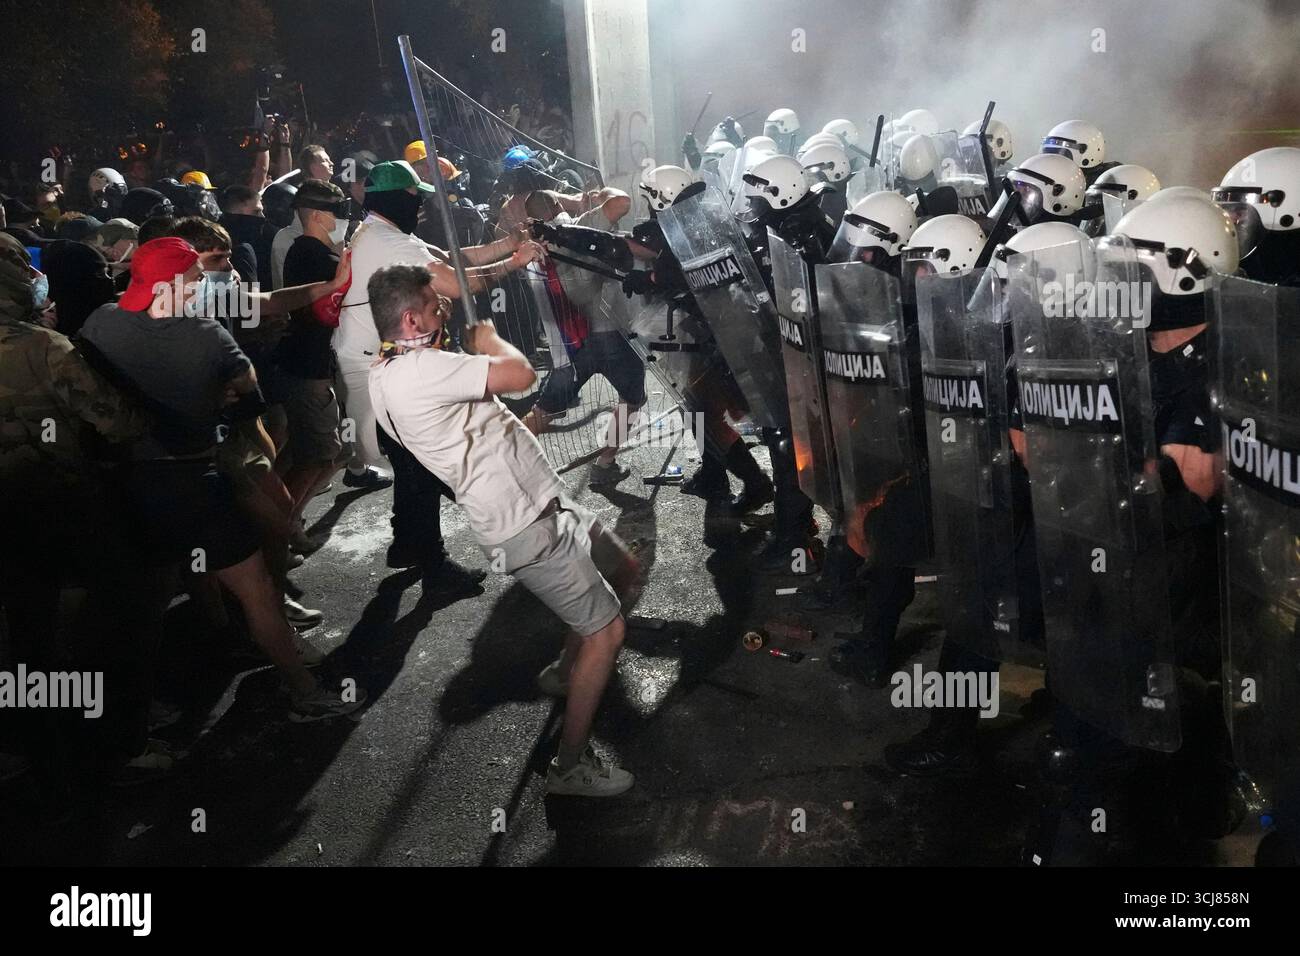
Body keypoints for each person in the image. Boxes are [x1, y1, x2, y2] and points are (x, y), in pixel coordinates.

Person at [367, 263, 640, 796]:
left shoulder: (389, 366)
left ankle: (568, 669)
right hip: (525, 523)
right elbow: (521, 376)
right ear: (408, 317)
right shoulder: (419, 370)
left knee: (621, 567)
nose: (442, 308)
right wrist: (490, 340)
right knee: (607, 631)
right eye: (432, 304)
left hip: (542, 502)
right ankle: (569, 767)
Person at [78, 237, 364, 721]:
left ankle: (135, 719)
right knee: (257, 590)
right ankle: (304, 692)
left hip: (129, 481)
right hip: (194, 478)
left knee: (143, 608)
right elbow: (251, 402)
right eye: (193, 277)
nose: (200, 286)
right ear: (171, 281)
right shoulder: (207, 336)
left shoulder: (101, 322)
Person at [334, 159, 544, 575]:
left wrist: (507, 246)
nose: (422, 207)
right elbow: (459, 284)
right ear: (397, 198)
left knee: (413, 459)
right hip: (377, 360)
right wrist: (514, 263)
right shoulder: (388, 241)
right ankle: (432, 561)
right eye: (416, 198)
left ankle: (410, 546)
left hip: (375, 355)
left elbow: (448, 258)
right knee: (418, 460)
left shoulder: (380, 231)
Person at [518, 187, 647, 486]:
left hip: (572, 342)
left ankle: (503, 463)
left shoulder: (537, 247)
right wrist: (594, 195)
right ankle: (605, 462)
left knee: (545, 407)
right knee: (632, 399)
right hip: (611, 335)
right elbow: (621, 202)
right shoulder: (575, 230)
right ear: (556, 204)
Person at [274, 179, 350, 550]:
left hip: (310, 363)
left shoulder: (305, 251)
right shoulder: (315, 255)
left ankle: (287, 522)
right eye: (337, 212)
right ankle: (281, 528)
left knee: (318, 453)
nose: (343, 219)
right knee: (317, 455)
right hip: (309, 367)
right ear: (318, 215)